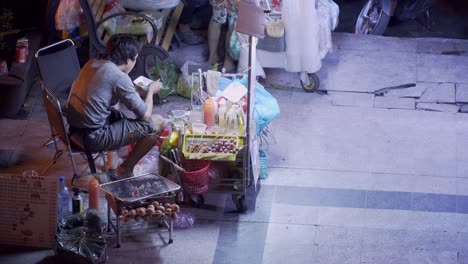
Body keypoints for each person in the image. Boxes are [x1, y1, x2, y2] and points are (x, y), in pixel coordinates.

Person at [66, 34, 165, 178]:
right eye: (135, 58)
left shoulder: (92, 63)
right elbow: (145, 115)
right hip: (93, 137)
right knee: (158, 122)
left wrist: (133, 91)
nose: (135, 62)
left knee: (119, 114)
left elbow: (106, 91)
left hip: (74, 130)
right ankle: (126, 169)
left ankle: (114, 160)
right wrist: (150, 91)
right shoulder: (119, 77)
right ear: (128, 59)